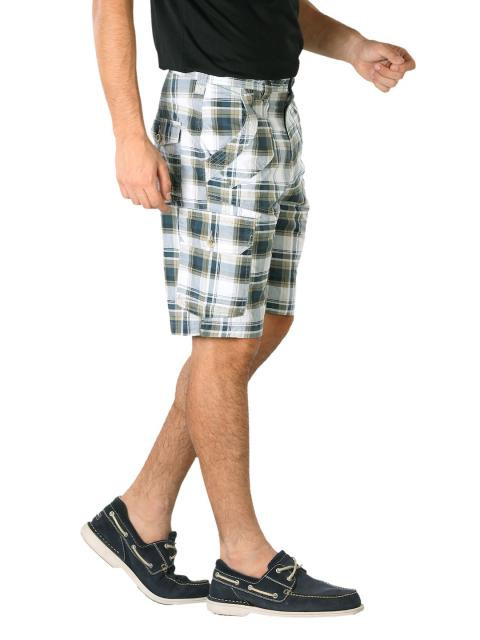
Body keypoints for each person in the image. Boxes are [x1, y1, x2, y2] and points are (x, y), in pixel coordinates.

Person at [82, 0, 415, 617]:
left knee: (267, 322)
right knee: (226, 342)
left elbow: (280, 9)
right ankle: (243, 561)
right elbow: (109, 8)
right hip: (212, 114)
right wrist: (128, 136)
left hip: (276, 112)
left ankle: (138, 516)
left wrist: (353, 47)